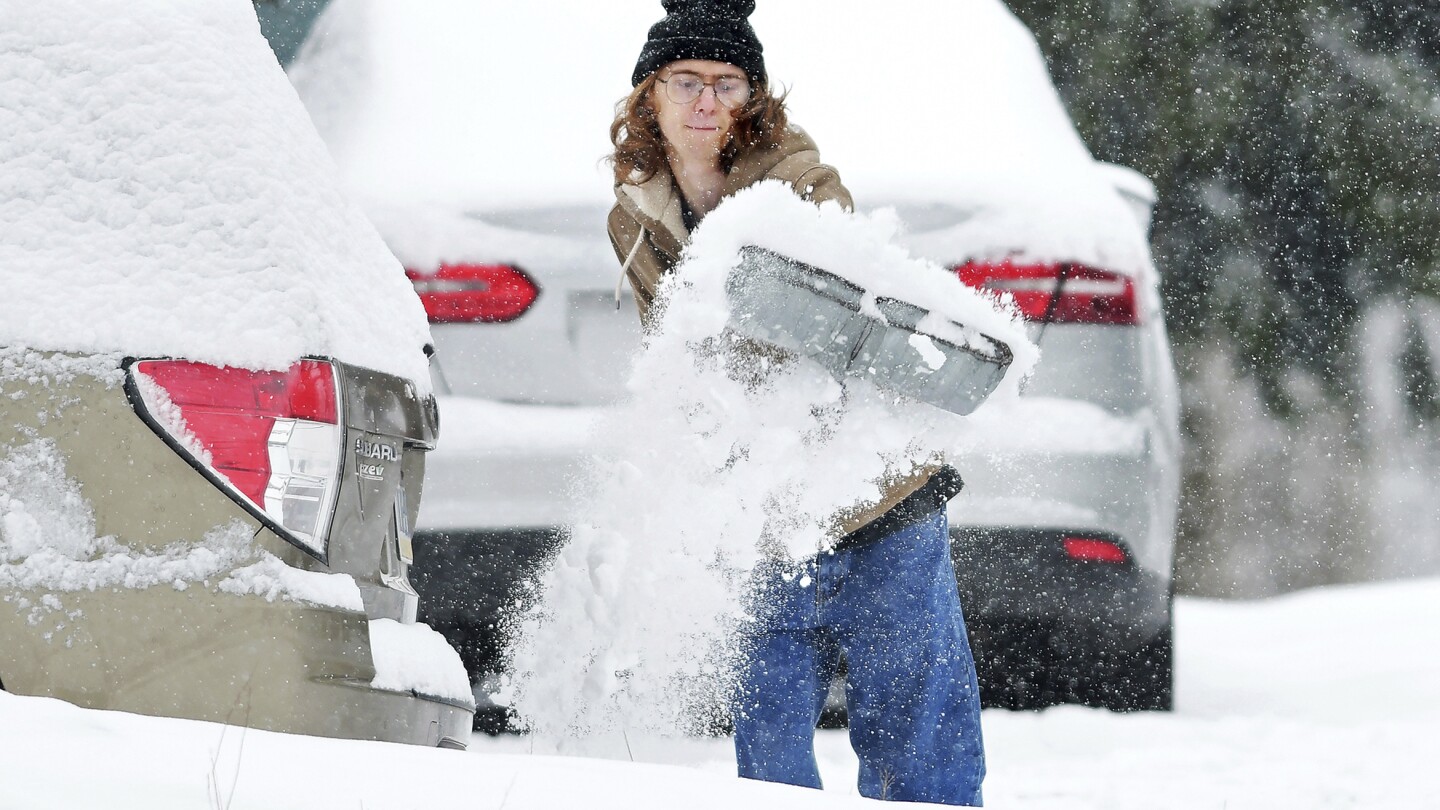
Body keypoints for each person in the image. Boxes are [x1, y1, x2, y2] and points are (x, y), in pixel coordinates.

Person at [606, 1, 986, 805]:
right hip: (765, 508)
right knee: (770, 745)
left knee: (917, 738)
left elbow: (837, 323)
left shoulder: (798, 183)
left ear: (754, 98)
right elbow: (672, 356)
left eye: (728, 83)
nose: (707, 101)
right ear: (650, 96)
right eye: (686, 81)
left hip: (879, 490)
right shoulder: (633, 214)